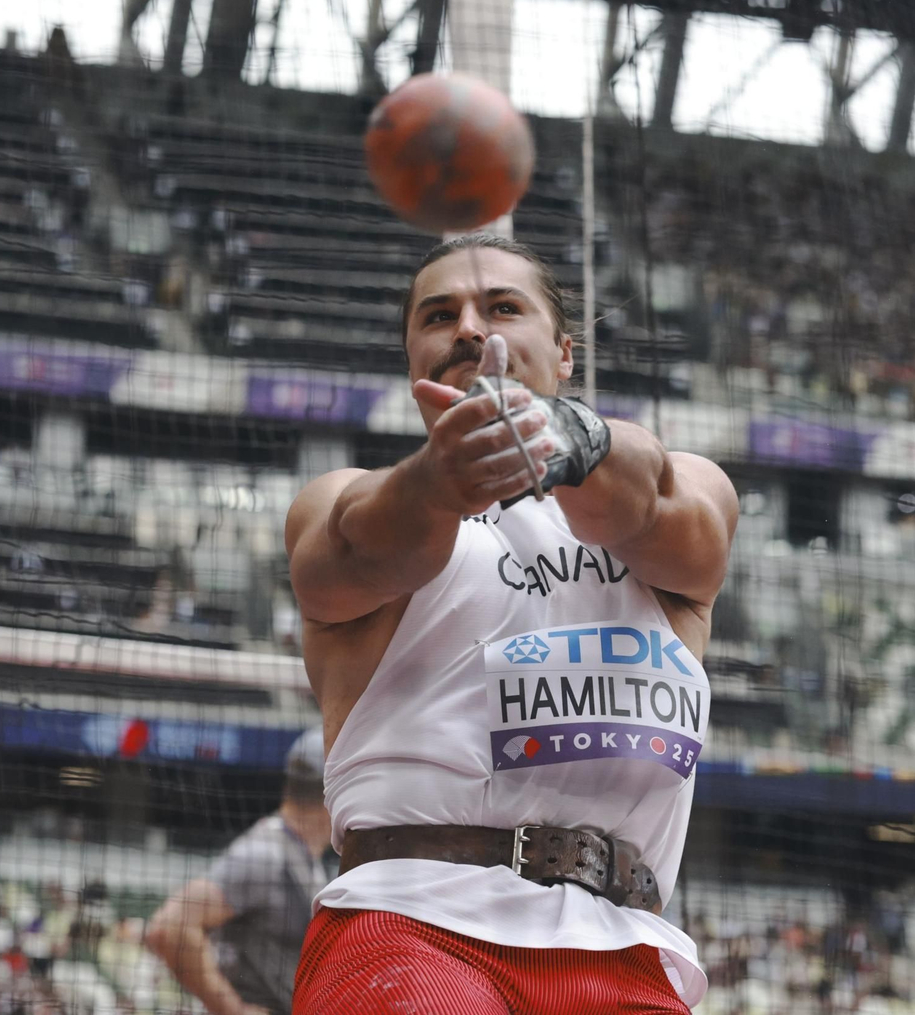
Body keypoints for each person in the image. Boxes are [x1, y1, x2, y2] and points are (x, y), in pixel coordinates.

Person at [284, 234, 738, 1013]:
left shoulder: (682, 490)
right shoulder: (346, 498)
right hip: (412, 924)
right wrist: (437, 480)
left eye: (500, 307)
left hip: (627, 949)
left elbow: (668, 502)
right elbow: (353, 550)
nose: (468, 327)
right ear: (413, 362)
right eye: (438, 315)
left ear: (564, 353)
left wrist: (567, 438)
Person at [145, 728, 332, 1015]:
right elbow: (169, 926)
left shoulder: (304, 858)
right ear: (333, 790)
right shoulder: (264, 853)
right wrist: (233, 1010)